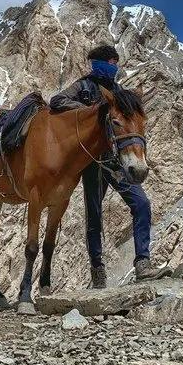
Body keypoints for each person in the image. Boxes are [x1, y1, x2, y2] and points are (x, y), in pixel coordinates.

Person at [54, 44, 170, 289]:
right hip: (93, 163)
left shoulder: (119, 92)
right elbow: (57, 101)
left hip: (117, 161)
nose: (114, 67)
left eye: (116, 63)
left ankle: (142, 263)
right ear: (100, 63)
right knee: (94, 216)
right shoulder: (82, 86)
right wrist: (91, 111)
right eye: (111, 62)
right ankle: (97, 271)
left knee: (142, 203)